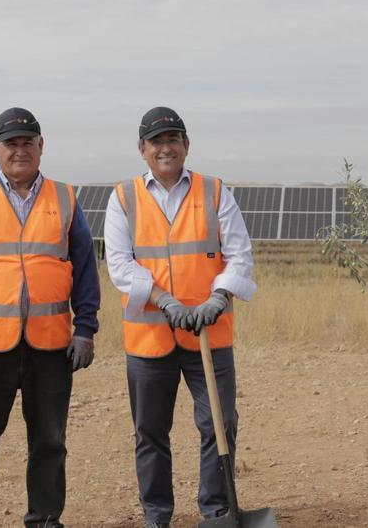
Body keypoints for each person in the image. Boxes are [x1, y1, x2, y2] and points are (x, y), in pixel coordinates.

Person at [0, 107, 101, 528]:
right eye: (11, 144)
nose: (20, 151)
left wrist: (85, 328)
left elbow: (85, 267)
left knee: (49, 442)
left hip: (51, 345)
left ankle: (45, 520)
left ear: (42, 146)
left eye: (28, 143)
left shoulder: (65, 199)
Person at [103, 107, 256, 528]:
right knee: (150, 432)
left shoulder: (215, 192)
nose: (165, 147)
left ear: (187, 145)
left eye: (173, 138)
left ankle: (217, 510)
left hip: (210, 332)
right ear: (142, 149)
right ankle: (157, 514)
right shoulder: (123, 198)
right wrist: (166, 301)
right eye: (156, 141)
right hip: (150, 339)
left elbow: (239, 254)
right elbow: (120, 265)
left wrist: (219, 296)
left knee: (219, 425)